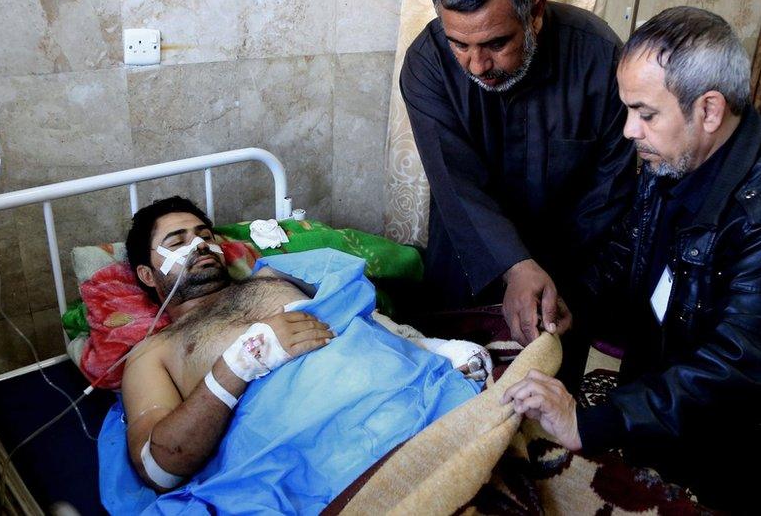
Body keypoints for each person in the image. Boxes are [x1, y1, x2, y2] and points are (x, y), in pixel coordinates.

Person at [504, 7, 761, 512]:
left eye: (645, 114)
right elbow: (629, 249)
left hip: (752, 454)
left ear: (708, 110)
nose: (629, 131)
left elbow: (736, 367)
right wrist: (571, 303)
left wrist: (594, 422)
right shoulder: (674, 155)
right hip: (671, 413)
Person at [102, 197, 484, 514]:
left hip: (419, 402)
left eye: (204, 235)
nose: (200, 244)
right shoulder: (154, 353)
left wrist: (435, 348)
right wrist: (241, 363)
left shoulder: (274, 277)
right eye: (177, 240)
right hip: (320, 463)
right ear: (149, 275)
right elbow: (160, 467)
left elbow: (361, 314)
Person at [399, 0, 636, 386]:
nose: (477, 64)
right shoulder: (428, 62)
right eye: (460, 44)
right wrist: (514, 267)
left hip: (570, 271)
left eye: (497, 43)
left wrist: (567, 291)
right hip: (467, 262)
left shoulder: (600, 58)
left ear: (536, 14)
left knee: (550, 408)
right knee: (456, 397)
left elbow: (610, 192)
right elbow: (457, 185)